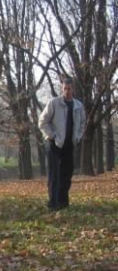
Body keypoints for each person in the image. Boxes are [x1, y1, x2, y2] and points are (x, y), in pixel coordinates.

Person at [39, 76, 86, 211]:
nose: (67, 91)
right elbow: (42, 122)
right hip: (54, 144)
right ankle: (53, 203)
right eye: (64, 89)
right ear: (62, 89)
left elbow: (82, 123)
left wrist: (78, 136)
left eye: (69, 89)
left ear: (73, 89)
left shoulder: (78, 106)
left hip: (69, 144)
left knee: (66, 174)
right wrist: (51, 136)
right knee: (55, 174)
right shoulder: (54, 103)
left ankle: (63, 202)